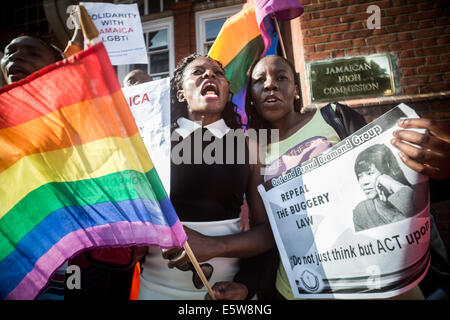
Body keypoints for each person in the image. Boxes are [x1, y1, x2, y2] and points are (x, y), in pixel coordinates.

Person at [206, 54, 450, 300]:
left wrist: (435, 164)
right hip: (300, 288)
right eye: (260, 80)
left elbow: (391, 174)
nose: (271, 84)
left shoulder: (334, 117)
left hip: (377, 276)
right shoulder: (256, 149)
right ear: (252, 97)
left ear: (296, 90)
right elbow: (267, 232)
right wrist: (247, 285)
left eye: (282, 77)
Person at [137, 53, 274, 299]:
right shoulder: (152, 144)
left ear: (225, 90)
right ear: (180, 93)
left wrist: (217, 249)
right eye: (198, 72)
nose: (209, 74)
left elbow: (266, 232)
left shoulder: (249, 145)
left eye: (218, 73)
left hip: (228, 292)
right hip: (156, 290)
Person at [353, 144, 423, 232]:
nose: (364, 182)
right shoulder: (361, 211)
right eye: (360, 176)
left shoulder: (413, 195)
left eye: (370, 173)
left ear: (387, 172)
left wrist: (392, 185)